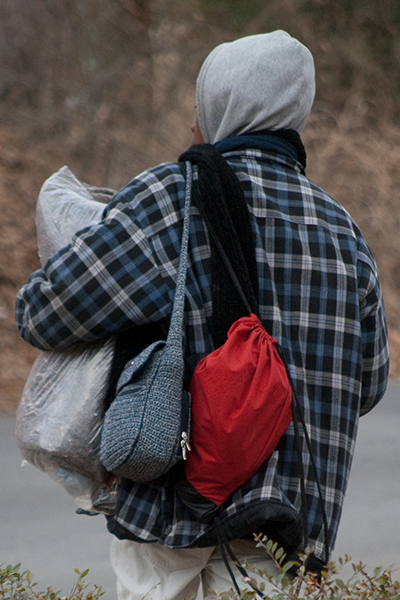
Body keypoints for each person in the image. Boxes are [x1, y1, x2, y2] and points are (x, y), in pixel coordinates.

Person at [16, 30, 389, 600]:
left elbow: (44, 312)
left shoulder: (173, 197)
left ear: (223, 106)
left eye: (200, 105)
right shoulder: (344, 234)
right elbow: (368, 384)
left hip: (173, 511)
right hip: (286, 526)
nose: (194, 123)